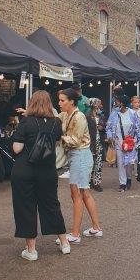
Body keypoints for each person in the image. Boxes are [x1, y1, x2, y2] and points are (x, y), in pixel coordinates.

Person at [10, 91, 68, 260]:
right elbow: (56, 142)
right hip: (48, 170)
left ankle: (31, 250)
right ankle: (64, 242)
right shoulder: (56, 122)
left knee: (26, 207)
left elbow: (17, 149)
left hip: (25, 171)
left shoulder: (25, 122)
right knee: (51, 204)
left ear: (31, 103)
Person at [59, 88, 102, 241]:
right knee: (83, 193)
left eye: (62, 100)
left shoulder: (79, 117)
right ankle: (96, 228)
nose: (59, 103)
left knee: (77, 194)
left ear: (71, 101)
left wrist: (60, 137)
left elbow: (75, 141)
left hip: (80, 156)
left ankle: (75, 234)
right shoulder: (65, 114)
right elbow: (52, 117)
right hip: (77, 157)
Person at [106, 95, 140, 192]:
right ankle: (122, 183)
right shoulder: (114, 114)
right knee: (121, 163)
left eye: (117, 101)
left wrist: (139, 141)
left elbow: (138, 128)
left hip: (131, 143)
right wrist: (110, 137)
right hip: (119, 142)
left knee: (129, 164)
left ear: (122, 103)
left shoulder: (133, 114)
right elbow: (109, 127)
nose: (115, 103)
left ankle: (129, 179)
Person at [88, 98, 104, 192]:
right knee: (90, 163)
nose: (100, 105)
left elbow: (105, 126)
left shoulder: (101, 115)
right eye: (98, 104)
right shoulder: (87, 116)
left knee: (99, 163)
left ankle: (97, 182)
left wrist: (102, 127)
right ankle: (89, 181)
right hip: (90, 142)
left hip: (99, 142)